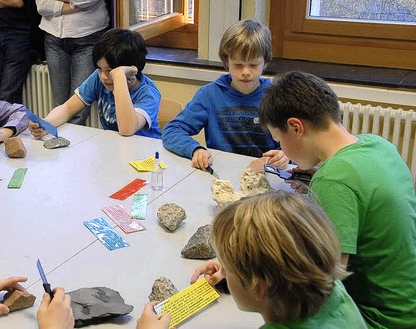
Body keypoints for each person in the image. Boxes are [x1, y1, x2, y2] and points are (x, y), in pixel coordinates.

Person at [257, 71, 416, 328]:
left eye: (280, 139)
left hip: (380, 320)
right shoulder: (378, 146)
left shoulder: (334, 181)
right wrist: (320, 170)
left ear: (296, 127)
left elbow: (325, 281)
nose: (283, 148)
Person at [138, 192, 367, 328]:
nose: (223, 271)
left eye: (228, 267)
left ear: (260, 285)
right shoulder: (333, 290)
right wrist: (239, 274)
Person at [162, 19, 288, 170]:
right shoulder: (210, 95)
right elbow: (172, 130)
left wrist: (286, 155)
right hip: (221, 174)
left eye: (253, 65)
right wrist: (195, 149)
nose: (246, 72)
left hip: (267, 174)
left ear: (265, 63)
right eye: (238, 65)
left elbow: (298, 141)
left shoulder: (277, 96)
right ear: (226, 61)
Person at [29, 28, 161, 139]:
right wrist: (46, 124)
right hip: (115, 148)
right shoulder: (100, 78)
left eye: (110, 71)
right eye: (99, 69)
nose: (103, 76)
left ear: (131, 70)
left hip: (146, 155)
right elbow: (68, 108)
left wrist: (119, 76)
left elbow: (127, 129)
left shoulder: (147, 93)